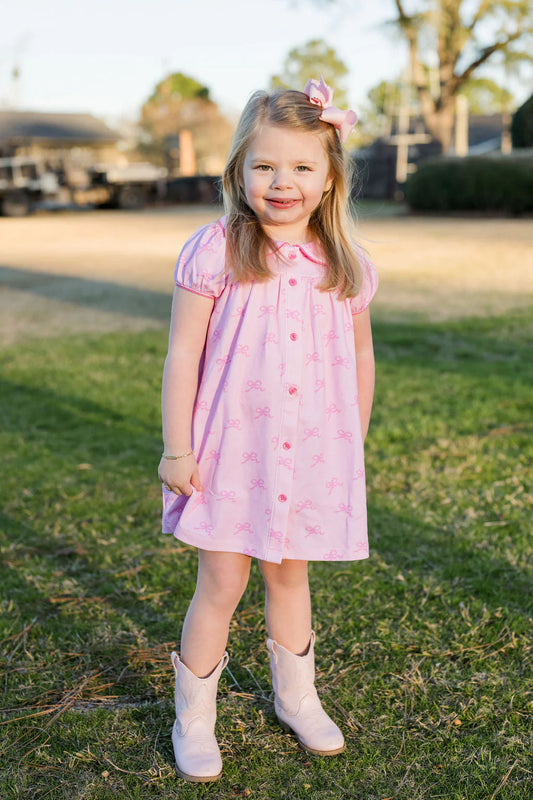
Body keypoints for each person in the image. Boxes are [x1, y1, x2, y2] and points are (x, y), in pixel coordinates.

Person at [158, 76, 378, 783]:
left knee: (290, 576)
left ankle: (297, 698)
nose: (283, 182)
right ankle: (193, 718)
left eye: (302, 166)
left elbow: (361, 356)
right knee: (221, 581)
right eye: (265, 166)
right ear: (239, 171)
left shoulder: (344, 264)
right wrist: (176, 448)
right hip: (229, 454)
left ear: (329, 176)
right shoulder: (216, 250)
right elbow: (182, 353)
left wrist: (352, 442)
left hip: (309, 457)